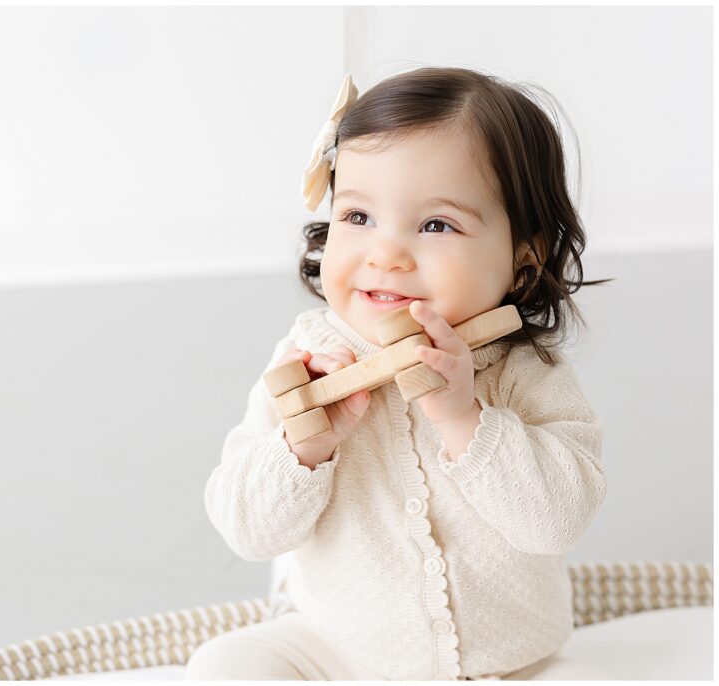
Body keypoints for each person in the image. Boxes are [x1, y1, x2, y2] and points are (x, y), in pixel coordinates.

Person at [186, 67, 616, 681]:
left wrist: (465, 419)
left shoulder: (527, 371)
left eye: (436, 225)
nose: (385, 254)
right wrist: (302, 450)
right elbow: (247, 532)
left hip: (511, 658)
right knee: (226, 664)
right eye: (358, 217)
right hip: (334, 653)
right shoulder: (308, 358)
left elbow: (558, 521)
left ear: (524, 262)